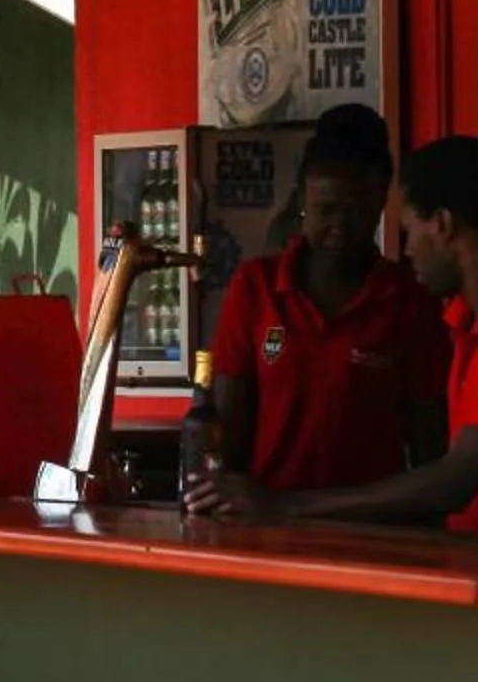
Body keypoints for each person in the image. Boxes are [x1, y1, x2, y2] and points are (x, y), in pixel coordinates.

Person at [187, 135, 478, 544]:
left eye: (410, 231)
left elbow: (456, 480)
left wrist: (285, 505)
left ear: (444, 226)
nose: (407, 250)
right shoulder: (468, 324)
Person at [188, 105, 447, 499]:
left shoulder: (409, 300)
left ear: (380, 205)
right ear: (302, 200)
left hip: (373, 536)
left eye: (358, 212)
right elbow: (229, 435)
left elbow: (431, 449)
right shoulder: (255, 289)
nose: (340, 227)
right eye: (326, 210)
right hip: (267, 533)